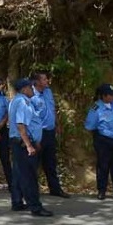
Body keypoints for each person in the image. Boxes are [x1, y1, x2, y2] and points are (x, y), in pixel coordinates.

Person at [8, 78, 53, 217]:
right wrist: (29, 145)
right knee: (29, 177)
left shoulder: (15, 100)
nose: (32, 89)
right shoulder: (23, 102)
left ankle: (17, 202)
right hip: (23, 143)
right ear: (24, 89)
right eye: (30, 87)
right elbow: (21, 125)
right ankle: (35, 207)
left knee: (18, 173)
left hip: (18, 142)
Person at [84, 83, 113, 200]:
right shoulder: (96, 108)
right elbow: (90, 126)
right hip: (104, 141)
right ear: (104, 96)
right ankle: (102, 190)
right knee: (103, 166)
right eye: (111, 95)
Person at [31, 70, 70, 198]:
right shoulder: (30, 95)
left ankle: (55, 189)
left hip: (50, 132)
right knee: (34, 163)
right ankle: (32, 191)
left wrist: (57, 124)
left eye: (47, 78)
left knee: (51, 162)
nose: (47, 81)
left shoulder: (48, 92)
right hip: (38, 133)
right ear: (36, 81)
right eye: (44, 79)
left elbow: (52, 109)